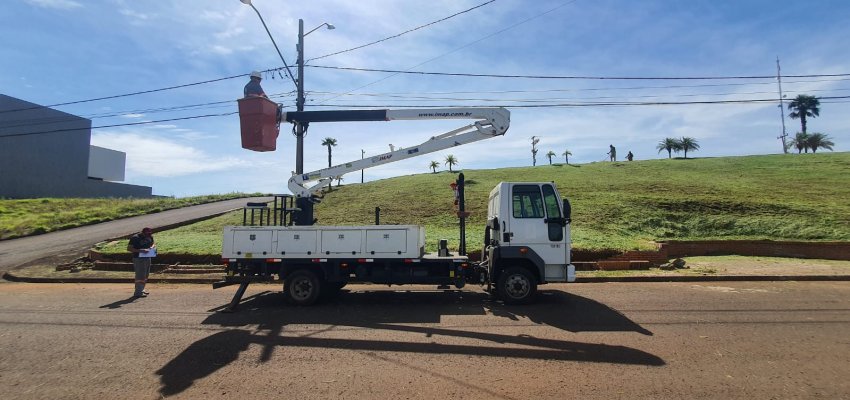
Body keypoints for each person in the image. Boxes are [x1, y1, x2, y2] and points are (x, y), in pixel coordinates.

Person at [127, 227, 156, 298]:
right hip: (138, 259)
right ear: (142, 233)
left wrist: (152, 247)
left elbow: (153, 244)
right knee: (140, 275)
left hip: (148, 257)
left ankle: (142, 289)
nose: (148, 235)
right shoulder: (135, 238)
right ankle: (138, 292)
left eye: (149, 234)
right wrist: (141, 250)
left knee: (145, 275)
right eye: (147, 234)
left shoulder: (150, 236)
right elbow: (129, 248)